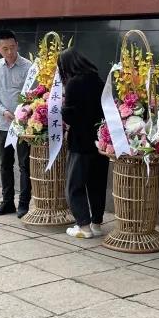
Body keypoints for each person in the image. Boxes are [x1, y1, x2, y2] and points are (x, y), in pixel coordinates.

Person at [58, 48, 109, 239]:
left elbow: (71, 115)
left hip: (80, 142)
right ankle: (96, 224)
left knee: (75, 185)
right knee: (97, 184)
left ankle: (83, 226)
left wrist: (62, 110)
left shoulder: (73, 83)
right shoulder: (98, 80)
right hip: (99, 141)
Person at [0, 30, 33, 217]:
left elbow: (34, 94)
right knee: (5, 165)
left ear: (17, 45)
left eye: (12, 47)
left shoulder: (28, 67)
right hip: (4, 125)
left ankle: (24, 204)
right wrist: (3, 111)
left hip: (23, 126)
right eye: (5, 49)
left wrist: (23, 113)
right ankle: (7, 202)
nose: (10, 52)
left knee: (25, 165)